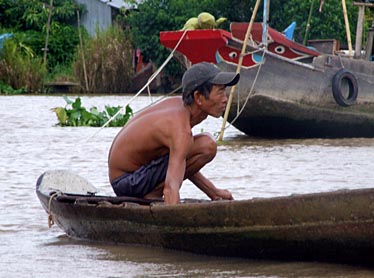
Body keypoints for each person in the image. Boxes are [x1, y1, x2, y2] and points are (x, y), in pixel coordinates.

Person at [108, 62, 240, 205]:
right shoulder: (179, 128)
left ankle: (151, 194)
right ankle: (151, 195)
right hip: (128, 182)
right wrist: (174, 216)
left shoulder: (181, 109)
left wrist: (213, 192)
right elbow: (171, 188)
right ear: (199, 98)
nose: (225, 99)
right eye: (220, 92)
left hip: (135, 174)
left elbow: (181, 159)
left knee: (200, 146)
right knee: (207, 145)